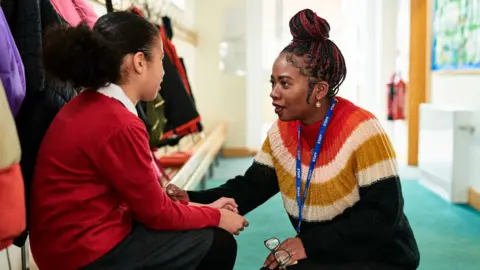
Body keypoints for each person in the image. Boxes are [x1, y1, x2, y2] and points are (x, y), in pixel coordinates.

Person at [166, 9, 420, 270]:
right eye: (272, 82)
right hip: (324, 245)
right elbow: (250, 187)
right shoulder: (282, 131)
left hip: (379, 253)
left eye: (284, 84)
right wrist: (190, 197)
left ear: (319, 89)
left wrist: (307, 245)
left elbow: (382, 215)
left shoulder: (362, 130)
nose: (273, 93)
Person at [29, 11, 247, 270]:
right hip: (83, 254)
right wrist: (216, 217)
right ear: (140, 62)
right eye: (162, 60)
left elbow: (144, 202)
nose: (165, 72)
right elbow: (156, 214)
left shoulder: (90, 103)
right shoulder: (119, 122)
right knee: (218, 243)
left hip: (64, 247)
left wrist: (204, 208)